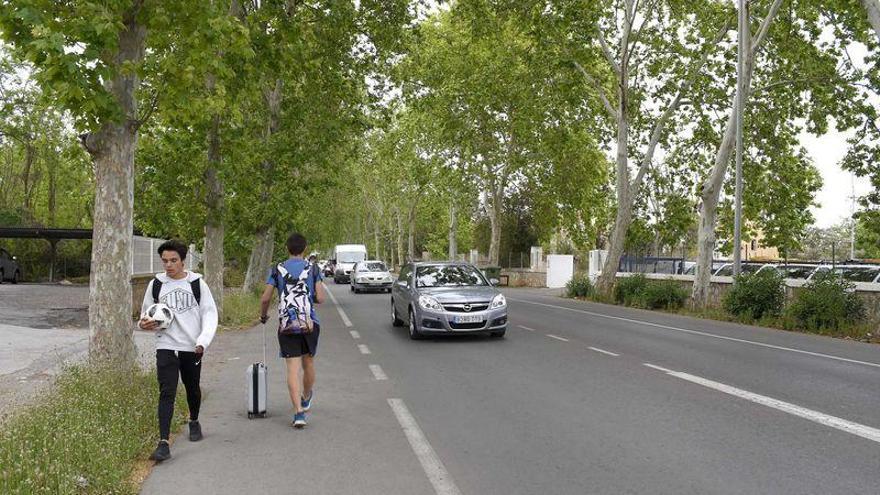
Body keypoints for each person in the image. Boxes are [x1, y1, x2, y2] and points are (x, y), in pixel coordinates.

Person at [138, 240, 218, 462]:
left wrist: (203, 341)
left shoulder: (197, 284)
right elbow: (145, 314)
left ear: (183, 261)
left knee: (192, 388)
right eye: (165, 261)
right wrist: (142, 324)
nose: (169, 265)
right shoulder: (156, 284)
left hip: (192, 346)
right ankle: (163, 443)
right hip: (166, 345)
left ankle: (193, 420)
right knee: (167, 392)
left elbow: (210, 315)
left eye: (173, 260)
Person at [260, 233, 325, 428]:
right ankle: (306, 398)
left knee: (292, 368)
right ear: (304, 249)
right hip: (309, 323)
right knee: (309, 363)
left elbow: (265, 299)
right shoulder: (312, 268)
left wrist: (263, 316)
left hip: (287, 324)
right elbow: (321, 298)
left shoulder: (277, 269)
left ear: (287, 249)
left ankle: (298, 414)